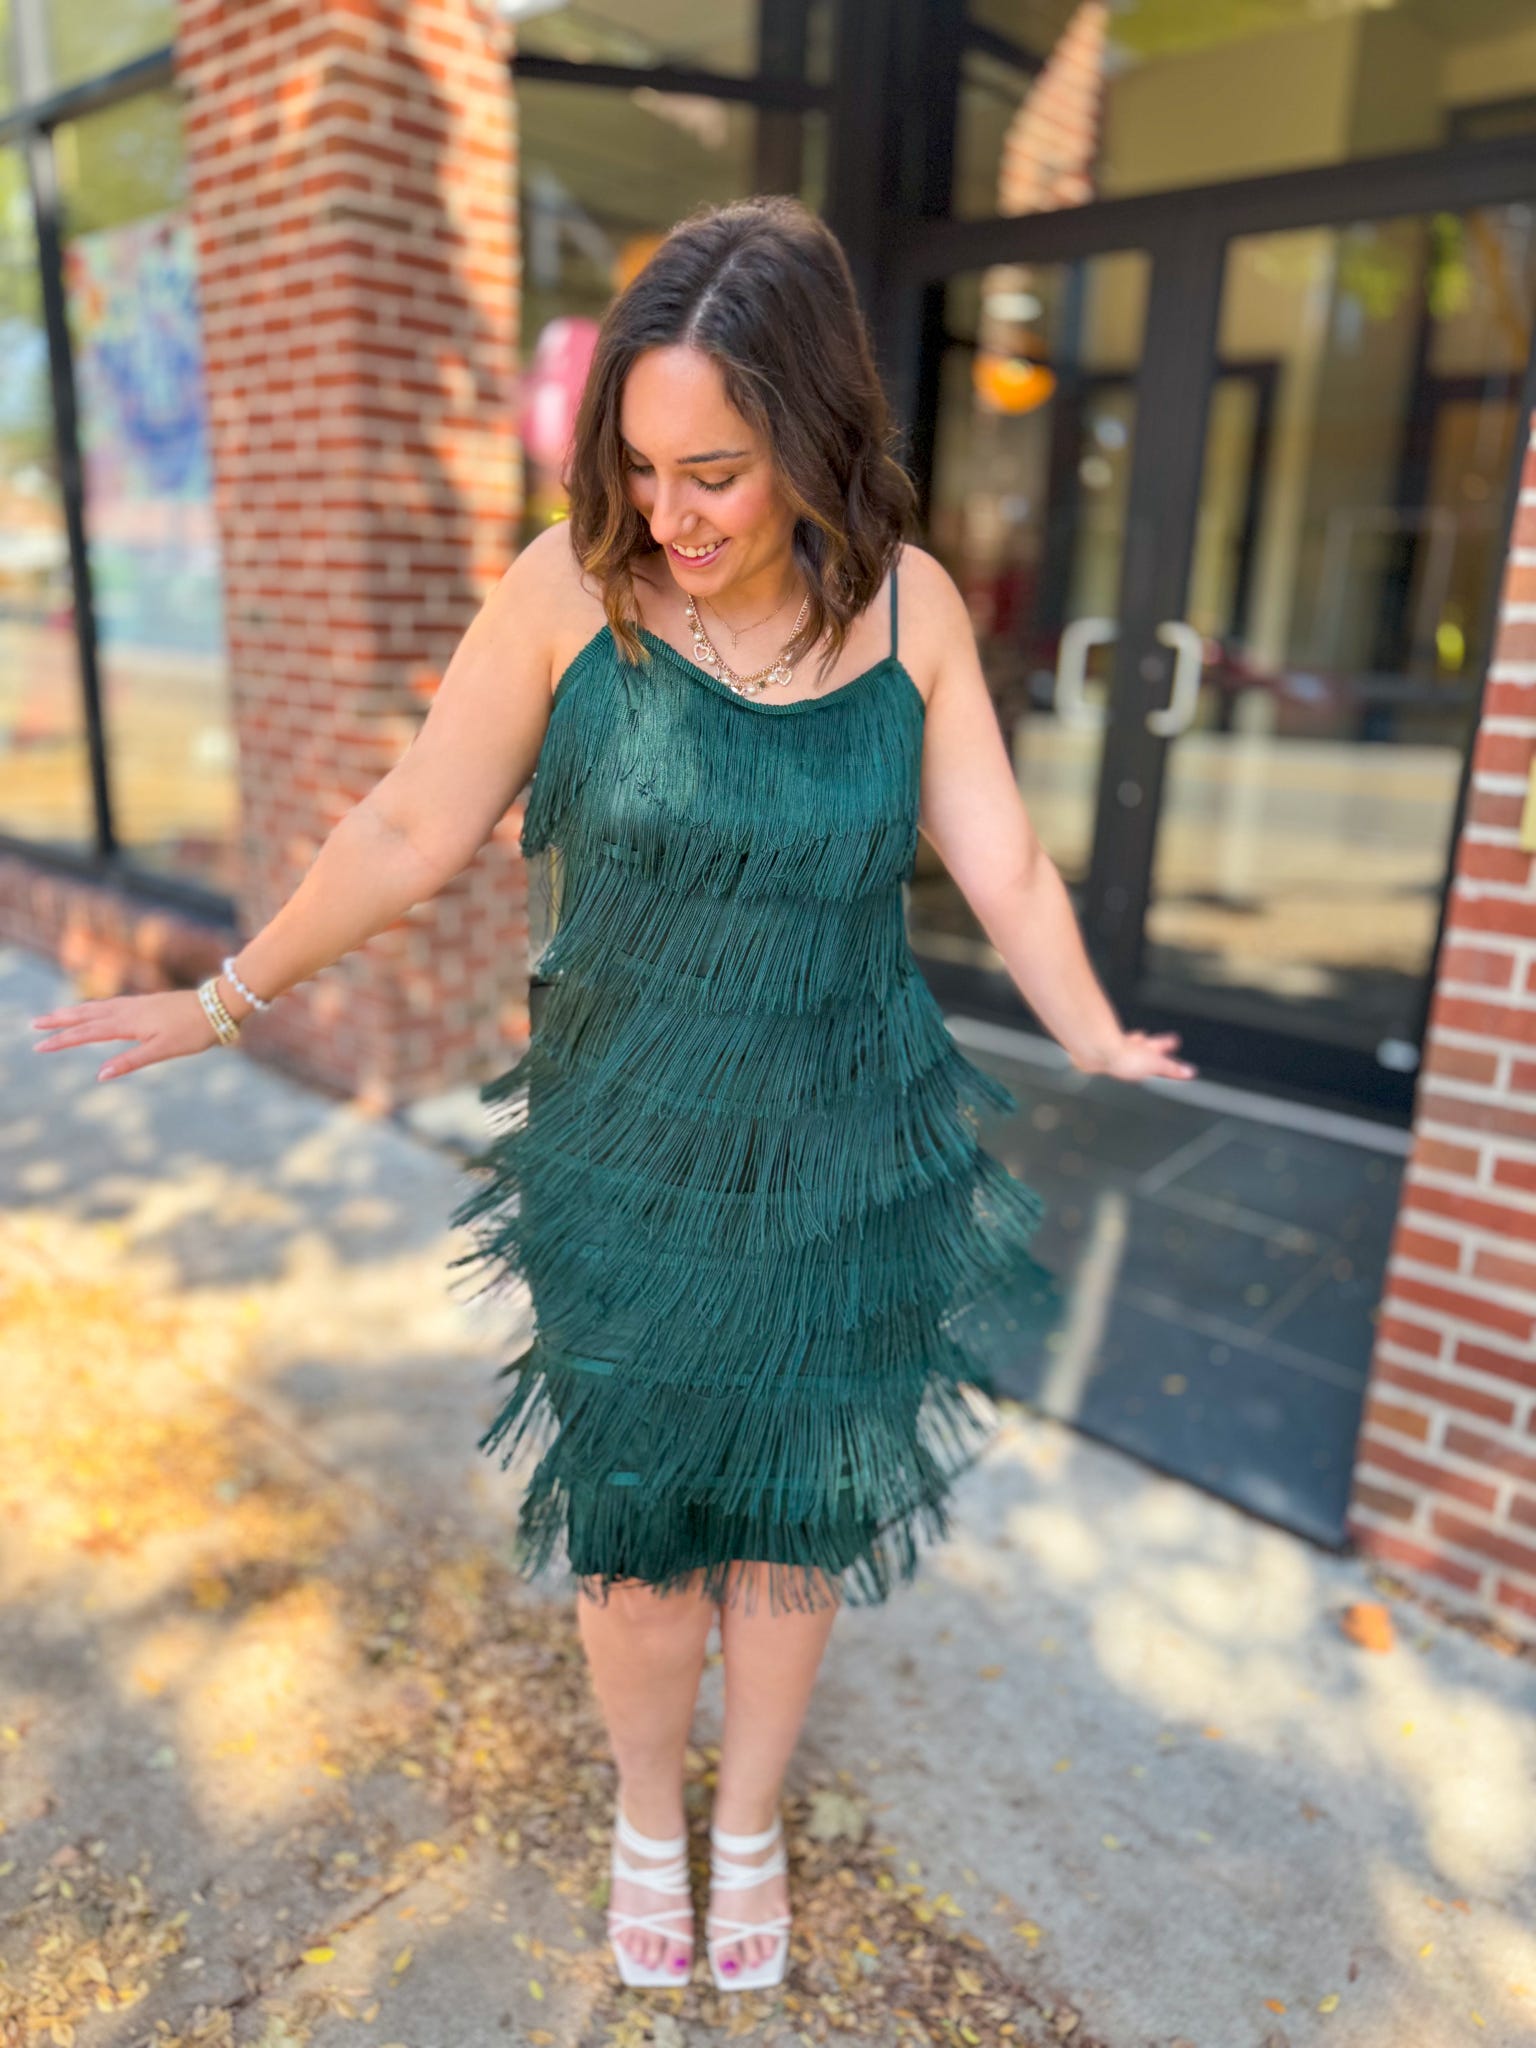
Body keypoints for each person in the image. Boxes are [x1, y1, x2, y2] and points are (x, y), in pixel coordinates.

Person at [28, 194, 1196, 1996]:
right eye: (644, 468)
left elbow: (1011, 869)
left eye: (715, 470)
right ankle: (652, 1811)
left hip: (840, 1158)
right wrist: (228, 994)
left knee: (796, 1530)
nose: (673, 514)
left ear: (815, 436)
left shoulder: (914, 619)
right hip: (629, 1160)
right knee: (646, 1543)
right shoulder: (568, 591)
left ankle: (751, 1829)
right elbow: (417, 823)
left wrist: (1102, 1031)